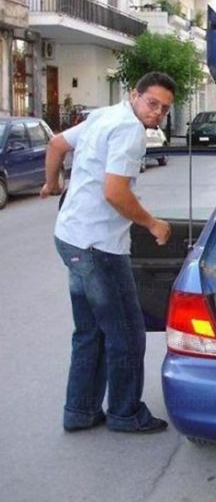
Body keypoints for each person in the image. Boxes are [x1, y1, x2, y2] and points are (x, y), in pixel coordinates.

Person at [40, 72, 176, 434]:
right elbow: (115, 192)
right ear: (135, 95)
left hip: (70, 237)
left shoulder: (103, 115)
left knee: (90, 331)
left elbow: (56, 144)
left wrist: (52, 183)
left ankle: (80, 410)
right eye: (152, 103)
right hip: (97, 247)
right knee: (128, 334)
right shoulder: (129, 131)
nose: (157, 113)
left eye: (164, 109)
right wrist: (152, 223)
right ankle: (125, 413)